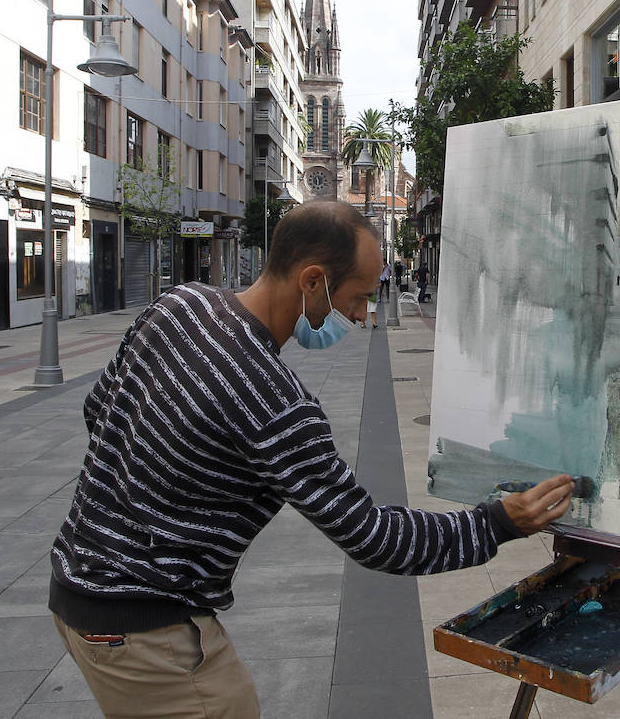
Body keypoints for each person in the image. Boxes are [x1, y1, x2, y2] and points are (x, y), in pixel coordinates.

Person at [48, 201, 573, 718]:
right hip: (145, 628)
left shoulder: (177, 306)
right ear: (313, 281)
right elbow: (374, 537)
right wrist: (498, 523)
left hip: (75, 588)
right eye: (358, 297)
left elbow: (100, 412)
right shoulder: (274, 400)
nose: (364, 314)